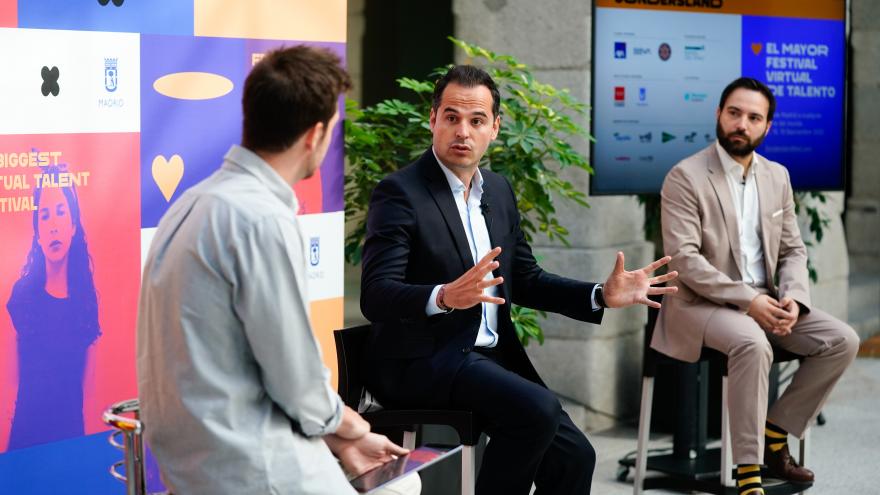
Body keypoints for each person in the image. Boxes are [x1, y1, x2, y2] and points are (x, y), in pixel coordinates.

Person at [360, 64, 679, 495]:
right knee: (537, 411)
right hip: (423, 359)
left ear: (495, 128)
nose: (463, 132)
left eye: (476, 121)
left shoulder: (498, 190)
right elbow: (375, 294)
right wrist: (446, 296)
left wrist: (601, 295)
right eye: (452, 117)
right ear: (433, 119)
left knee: (577, 457)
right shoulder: (400, 192)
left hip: (487, 359)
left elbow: (525, 279)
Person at [137, 46, 410, 495]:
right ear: (314, 135)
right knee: (403, 487)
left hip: (197, 465)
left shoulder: (189, 205)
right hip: (252, 467)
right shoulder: (260, 219)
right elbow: (297, 381)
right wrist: (352, 427)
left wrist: (342, 440)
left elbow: (248, 371)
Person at [655, 77, 859, 495]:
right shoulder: (685, 176)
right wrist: (750, 301)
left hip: (766, 302)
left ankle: (775, 434)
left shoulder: (777, 177)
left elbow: (793, 250)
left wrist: (793, 300)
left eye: (753, 117)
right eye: (734, 113)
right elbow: (685, 261)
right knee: (752, 341)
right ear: (718, 114)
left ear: (767, 127)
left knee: (842, 339)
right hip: (699, 306)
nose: (741, 124)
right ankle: (748, 472)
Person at [6, 164, 101, 450]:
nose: (54, 225)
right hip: (25, 444)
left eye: (60, 212)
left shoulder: (85, 301)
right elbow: (10, 384)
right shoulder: (20, 298)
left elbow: (88, 390)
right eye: (44, 216)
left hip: (71, 441)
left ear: (73, 225)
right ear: (36, 231)